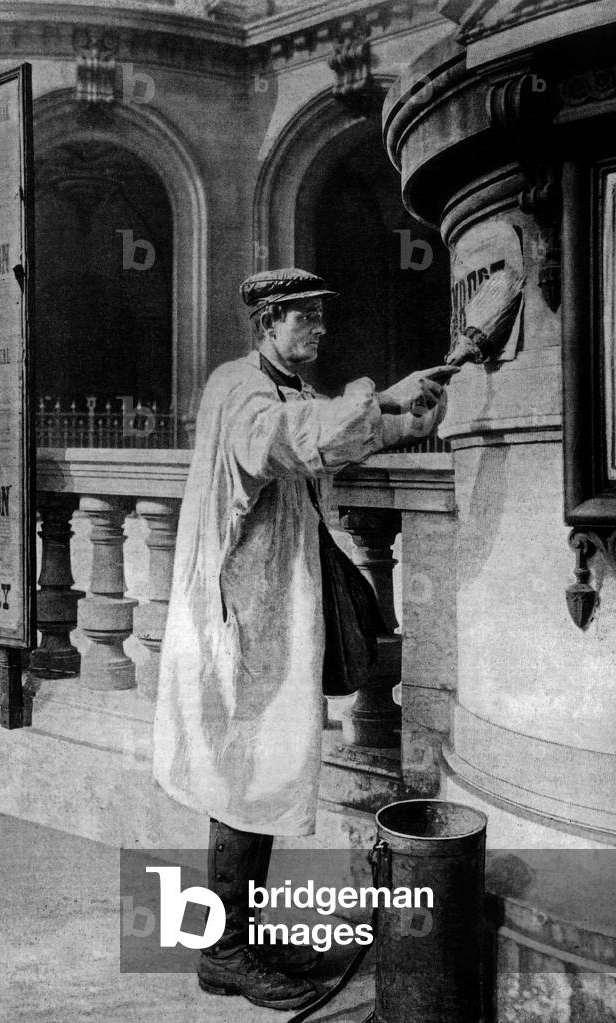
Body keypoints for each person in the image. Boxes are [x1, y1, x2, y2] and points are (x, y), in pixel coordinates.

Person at [152, 268, 455, 1010]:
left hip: (267, 610)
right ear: (267, 323)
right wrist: (377, 398)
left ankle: (238, 938)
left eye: (320, 317)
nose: (317, 330)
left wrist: (396, 418)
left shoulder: (281, 388)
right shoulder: (239, 388)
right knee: (243, 775)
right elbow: (282, 441)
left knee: (258, 769)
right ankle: (223, 952)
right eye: (303, 319)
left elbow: (320, 433)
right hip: (240, 615)